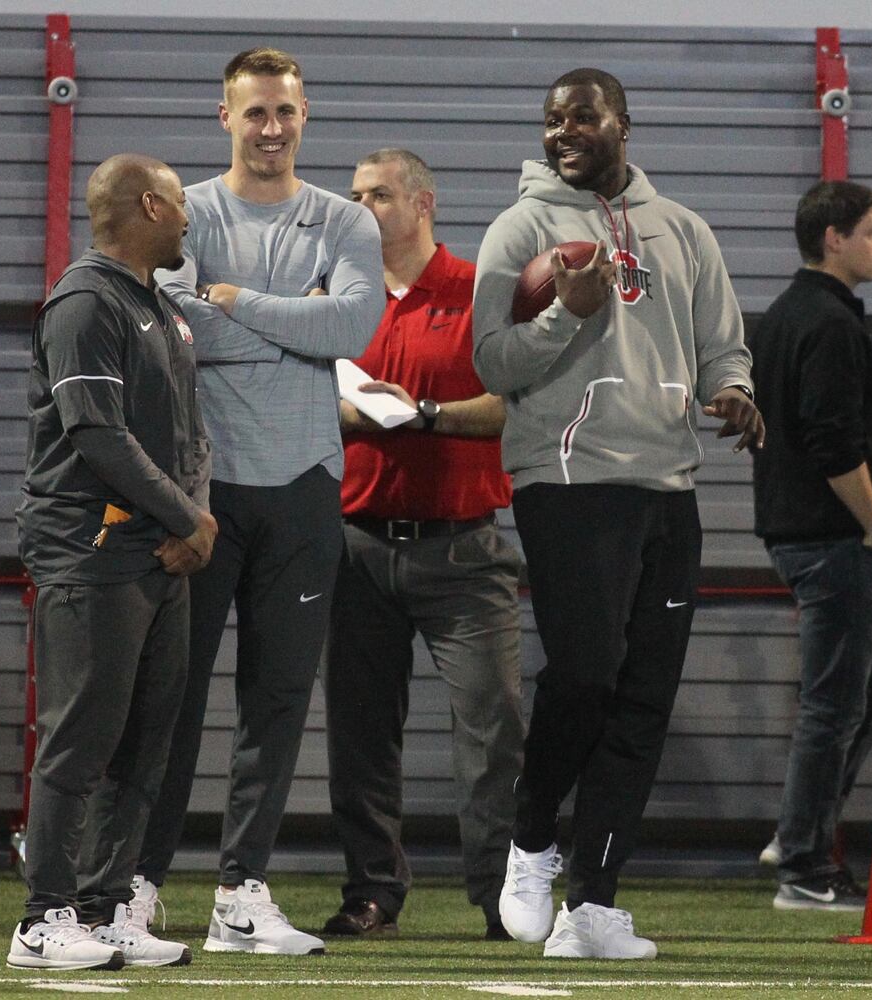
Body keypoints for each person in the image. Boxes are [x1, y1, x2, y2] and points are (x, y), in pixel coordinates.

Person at [472, 67, 764, 959]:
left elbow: (723, 345)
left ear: (622, 124)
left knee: (643, 696)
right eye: (552, 119)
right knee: (589, 671)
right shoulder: (521, 228)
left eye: (581, 116)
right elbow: (492, 360)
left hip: (670, 485)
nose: (563, 130)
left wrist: (735, 391)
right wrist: (567, 312)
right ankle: (532, 839)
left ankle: (594, 904)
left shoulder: (684, 230)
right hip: (568, 480)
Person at [130, 47, 385, 956]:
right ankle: (136, 889)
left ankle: (241, 894)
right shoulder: (183, 212)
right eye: (254, 113)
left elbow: (354, 327)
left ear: (305, 115)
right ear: (224, 116)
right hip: (199, 495)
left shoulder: (345, 219)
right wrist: (291, 320)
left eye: (285, 112)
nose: (270, 128)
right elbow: (172, 335)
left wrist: (230, 301)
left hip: (307, 490)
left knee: (276, 705)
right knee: (172, 701)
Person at [9, 154, 217, 970]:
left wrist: (191, 527)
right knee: (80, 739)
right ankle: (42, 918)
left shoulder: (154, 305)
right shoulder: (86, 301)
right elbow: (98, 435)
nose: (191, 220)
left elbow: (187, 434)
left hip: (158, 554)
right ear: (151, 204)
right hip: (90, 554)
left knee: (144, 745)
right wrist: (190, 517)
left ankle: (103, 911)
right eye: (180, 206)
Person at [319, 149, 525, 941]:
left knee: (493, 723)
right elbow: (299, 393)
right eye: (355, 195)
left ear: (423, 202)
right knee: (360, 731)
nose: (361, 207)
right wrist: (358, 413)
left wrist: (426, 412)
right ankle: (372, 892)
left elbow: (517, 405)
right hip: (356, 546)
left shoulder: (481, 294)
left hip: (463, 550)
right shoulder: (338, 298)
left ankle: (502, 898)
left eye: (378, 195)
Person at [749, 180, 872, 911]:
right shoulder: (828, 325)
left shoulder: (787, 315)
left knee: (871, 690)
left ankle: (798, 827)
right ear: (832, 238)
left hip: (810, 534)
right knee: (833, 702)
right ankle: (804, 867)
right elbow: (833, 443)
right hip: (834, 540)